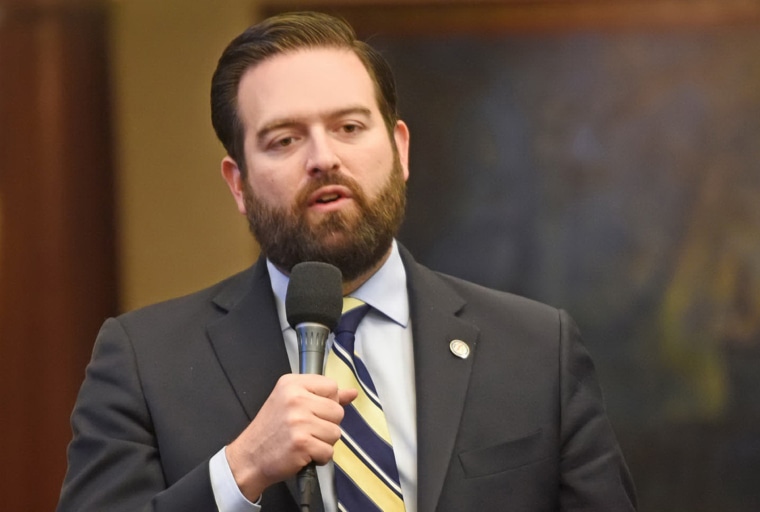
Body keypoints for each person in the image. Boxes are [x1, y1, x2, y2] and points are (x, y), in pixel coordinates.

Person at [56, 11, 636, 512]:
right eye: (284, 139)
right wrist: (239, 471)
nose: (323, 158)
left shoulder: (537, 351)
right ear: (238, 184)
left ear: (400, 149)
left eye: (349, 127)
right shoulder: (142, 361)